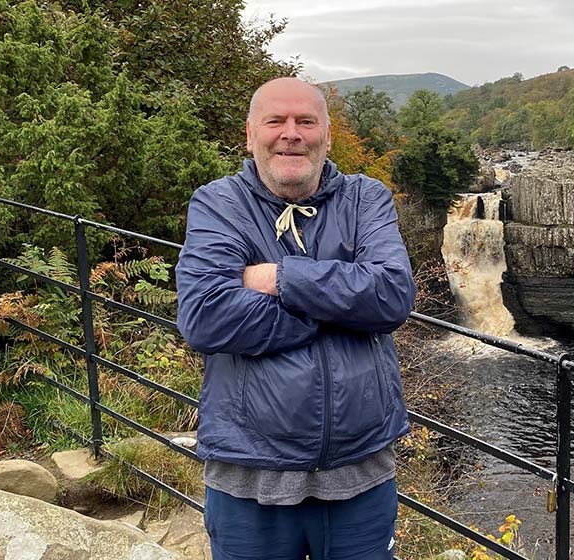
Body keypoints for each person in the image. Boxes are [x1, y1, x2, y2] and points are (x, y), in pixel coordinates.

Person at [175, 77, 417, 560]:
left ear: (326, 134)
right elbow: (205, 317)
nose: (292, 133)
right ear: (250, 134)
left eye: (306, 121)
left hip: (360, 472)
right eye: (276, 121)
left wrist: (279, 278)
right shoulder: (219, 203)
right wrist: (336, 309)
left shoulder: (365, 198)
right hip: (249, 475)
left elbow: (391, 296)